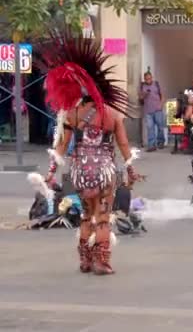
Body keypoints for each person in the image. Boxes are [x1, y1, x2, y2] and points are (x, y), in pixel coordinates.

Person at [39, 31, 143, 275]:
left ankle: (85, 260)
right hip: (105, 172)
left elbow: (61, 146)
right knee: (103, 217)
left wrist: (51, 172)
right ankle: (102, 262)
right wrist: (131, 171)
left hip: (80, 171)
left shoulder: (72, 113)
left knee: (86, 215)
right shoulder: (113, 114)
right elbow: (124, 146)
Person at [139, 70, 165, 152]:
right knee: (150, 128)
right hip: (148, 110)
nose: (148, 80)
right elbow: (140, 98)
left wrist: (161, 104)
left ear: (152, 78)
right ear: (144, 79)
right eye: (147, 79)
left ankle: (160, 142)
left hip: (158, 109)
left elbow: (162, 95)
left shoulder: (156, 84)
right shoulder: (142, 86)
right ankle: (151, 145)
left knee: (160, 126)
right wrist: (144, 95)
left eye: (149, 79)